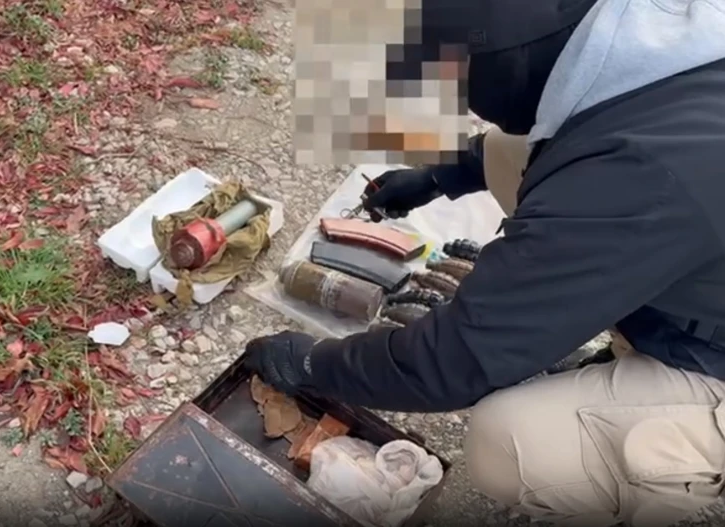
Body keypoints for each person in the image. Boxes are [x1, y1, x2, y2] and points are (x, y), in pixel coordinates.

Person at [245, 0, 725, 525]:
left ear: (510, 58)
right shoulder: (643, 37)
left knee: (508, 443)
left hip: (711, 357)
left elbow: (456, 361)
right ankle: (623, 351)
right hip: (698, 277)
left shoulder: (640, 175)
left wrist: (314, 365)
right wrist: (439, 176)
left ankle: (670, 455)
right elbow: (561, 130)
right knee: (507, 149)